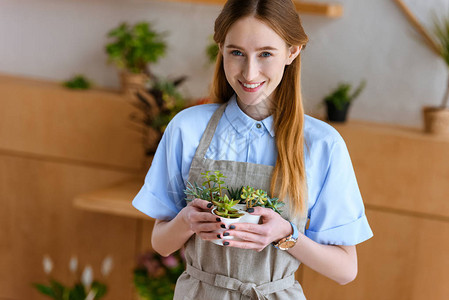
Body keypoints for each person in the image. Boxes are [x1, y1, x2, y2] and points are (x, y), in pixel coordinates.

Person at [133, 0, 373, 299]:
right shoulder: (186, 128)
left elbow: (345, 270)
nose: (249, 72)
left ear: (292, 52)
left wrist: (287, 235)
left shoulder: (323, 143)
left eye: (265, 54)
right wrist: (187, 221)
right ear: (221, 48)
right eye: (237, 53)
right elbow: (161, 243)